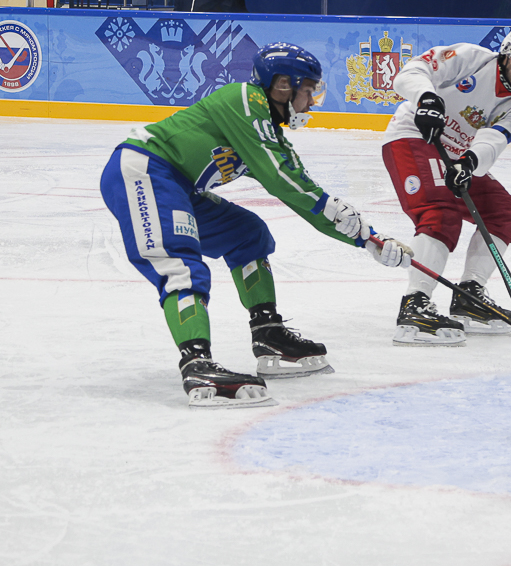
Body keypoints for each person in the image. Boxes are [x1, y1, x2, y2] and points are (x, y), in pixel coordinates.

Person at [98, 43, 412, 408]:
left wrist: (368, 239)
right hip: (144, 170)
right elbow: (284, 181)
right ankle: (197, 363)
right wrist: (364, 236)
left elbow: (301, 189)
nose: (311, 101)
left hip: (180, 185)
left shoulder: (267, 128)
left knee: (247, 234)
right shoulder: (246, 100)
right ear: (282, 85)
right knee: (180, 265)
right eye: (308, 90)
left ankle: (268, 333)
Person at [381, 22, 511, 346]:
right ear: (509, 53)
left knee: (505, 211)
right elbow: (411, 72)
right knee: (440, 212)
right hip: (411, 138)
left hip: (454, 156)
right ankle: (415, 303)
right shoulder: (471, 58)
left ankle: (469, 294)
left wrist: (469, 162)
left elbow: (492, 141)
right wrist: (427, 99)